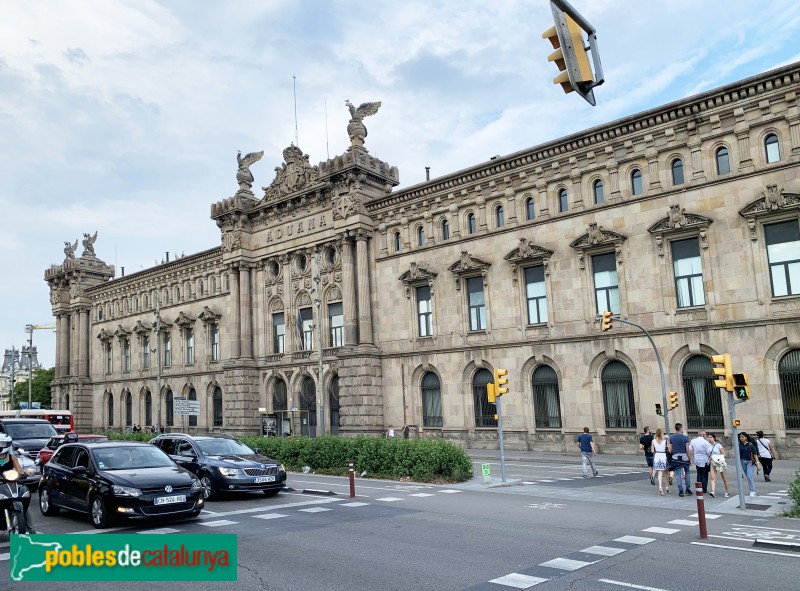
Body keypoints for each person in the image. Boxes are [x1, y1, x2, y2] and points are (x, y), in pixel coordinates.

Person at [0, 434, 37, 534]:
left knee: (23, 500)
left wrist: (25, 473)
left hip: (10, 483)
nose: (0, 445)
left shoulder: (12, 457)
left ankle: (31, 529)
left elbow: (19, 470)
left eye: (2, 443)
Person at [669, 423, 692, 497]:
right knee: (687, 472)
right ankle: (688, 489)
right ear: (681, 428)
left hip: (675, 457)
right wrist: (690, 459)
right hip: (684, 457)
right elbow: (687, 450)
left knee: (678, 474)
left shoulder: (671, 438)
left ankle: (680, 490)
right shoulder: (685, 438)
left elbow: (671, 449)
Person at [689, 429, 713, 494]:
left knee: (699, 474)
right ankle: (704, 489)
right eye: (705, 434)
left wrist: (694, 453)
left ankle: (699, 488)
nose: (706, 436)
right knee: (704, 475)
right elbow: (708, 452)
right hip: (704, 459)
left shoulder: (693, 441)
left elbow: (690, 449)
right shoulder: (705, 442)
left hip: (697, 459)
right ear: (703, 435)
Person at [738, 432, 761, 497]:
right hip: (743, 461)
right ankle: (752, 489)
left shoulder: (750, 445)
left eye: (742, 437)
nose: (741, 438)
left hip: (750, 462)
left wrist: (758, 464)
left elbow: (755, 454)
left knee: (749, 476)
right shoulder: (739, 445)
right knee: (748, 476)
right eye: (740, 437)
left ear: (746, 437)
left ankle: (752, 491)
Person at [707, 433, 729, 498]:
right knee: (713, 478)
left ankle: (727, 492)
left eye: (711, 437)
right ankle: (713, 491)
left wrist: (716, 457)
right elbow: (709, 454)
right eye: (708, 437)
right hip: (713, 463)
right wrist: (709, 460)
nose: (709, 438)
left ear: (714, 438)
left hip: (720, 462)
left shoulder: (718, 445)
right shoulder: (708, 445)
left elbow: (724, 454)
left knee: (724, 479)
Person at [651, 428, 670, 495]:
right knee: (666, 473)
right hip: (663, 456)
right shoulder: (665, 441)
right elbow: (669, 450)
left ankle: (660, 487)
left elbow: (652, 451)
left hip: (657, 456)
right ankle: (667, 487)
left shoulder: (653, 441)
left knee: (659, 473)